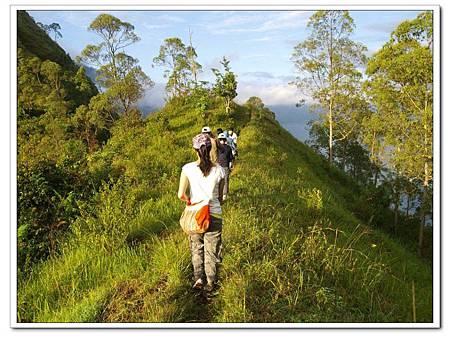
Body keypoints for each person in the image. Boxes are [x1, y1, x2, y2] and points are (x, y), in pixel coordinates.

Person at [178, 133, 226, 292]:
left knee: (196, 247)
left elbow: (181, 195)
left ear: (195, 150)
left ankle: (198, 278)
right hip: (214, 214)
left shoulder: (187, 168)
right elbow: (220, 197)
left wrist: (190, 201)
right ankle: (211, 283)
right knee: (212, 250)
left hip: (196, 215)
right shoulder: (220, 170)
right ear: (211, 148)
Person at [217, 133, 234, 201]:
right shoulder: (228, 147)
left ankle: (218, 194)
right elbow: (230, 158)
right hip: (225, 166)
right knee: (225, 180)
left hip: (218, 166)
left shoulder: (217, 147)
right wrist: (231, 165)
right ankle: (224, 195)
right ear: (225, 140)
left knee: (218, 180)